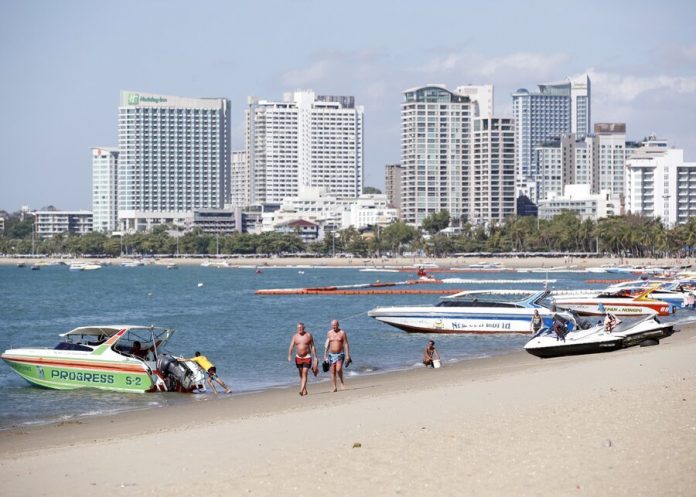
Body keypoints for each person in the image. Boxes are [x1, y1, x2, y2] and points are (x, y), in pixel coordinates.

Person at [287, 322, 318, 396]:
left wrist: (315, 357)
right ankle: (304, 389)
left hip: (307, 357)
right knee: (301, 374)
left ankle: (301, 390)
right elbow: (291, 346)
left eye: (301, 328)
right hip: (298, 357)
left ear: (304, 328)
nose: (299, 329)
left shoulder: (308, 335)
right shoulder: (295, 336)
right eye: (298, 328)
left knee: (305, 373)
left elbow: (312, 346)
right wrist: (289, 355)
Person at [324, 319, 351, 392]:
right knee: (332, 371)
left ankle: (342, 382)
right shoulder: (329, 333)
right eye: (332, 325)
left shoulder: (342, 333)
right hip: (331, 355)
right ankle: (334, 387)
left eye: (335, 325)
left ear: (338, 325)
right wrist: (325, 355)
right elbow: (327, 344)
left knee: (338, 369)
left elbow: (346, 344)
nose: (333, 327)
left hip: (340, 354)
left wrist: (347, 355)